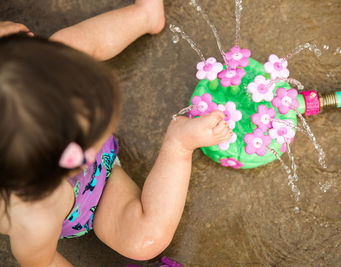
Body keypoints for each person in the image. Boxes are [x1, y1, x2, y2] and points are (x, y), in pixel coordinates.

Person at [0, 1, 232, 266]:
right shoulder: (32, 222)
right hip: (84, 205)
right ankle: (178, 145)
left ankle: (145, 16)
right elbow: (44, 263)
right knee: (144, 240)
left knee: (67, 45)